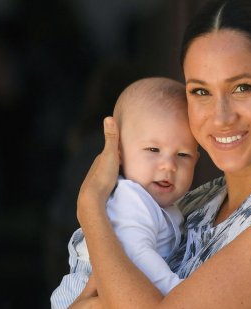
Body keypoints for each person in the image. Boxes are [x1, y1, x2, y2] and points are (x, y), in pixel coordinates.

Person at [70, 0, 251, 308]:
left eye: (242, 88)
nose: (220, 117)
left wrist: (91, 208)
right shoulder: (196, 203)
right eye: (200, 91)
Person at [51, 77, 200, 308]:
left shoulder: (163, 205)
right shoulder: (130, 198)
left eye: (183, 155)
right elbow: (137, 255)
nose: (168, 165)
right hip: (85, 292)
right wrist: (177, 292)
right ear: (118, 152)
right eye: (153, 149)